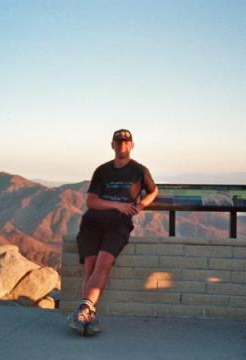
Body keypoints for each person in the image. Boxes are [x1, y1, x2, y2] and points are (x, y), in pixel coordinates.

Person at [68, 129, 158, 336]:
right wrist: (117, 205)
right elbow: (91, 201)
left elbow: (154, 190)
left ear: (132, 145)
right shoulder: (102, 170)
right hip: (91, 223)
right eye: (118, 143)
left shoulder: (139, 171)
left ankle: (83, 311)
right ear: (113, 145)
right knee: (90, 267)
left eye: (126, 143)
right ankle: (88, 315)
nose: (122, 146)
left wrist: (142, 204)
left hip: (118, 225)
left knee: (103, 265)